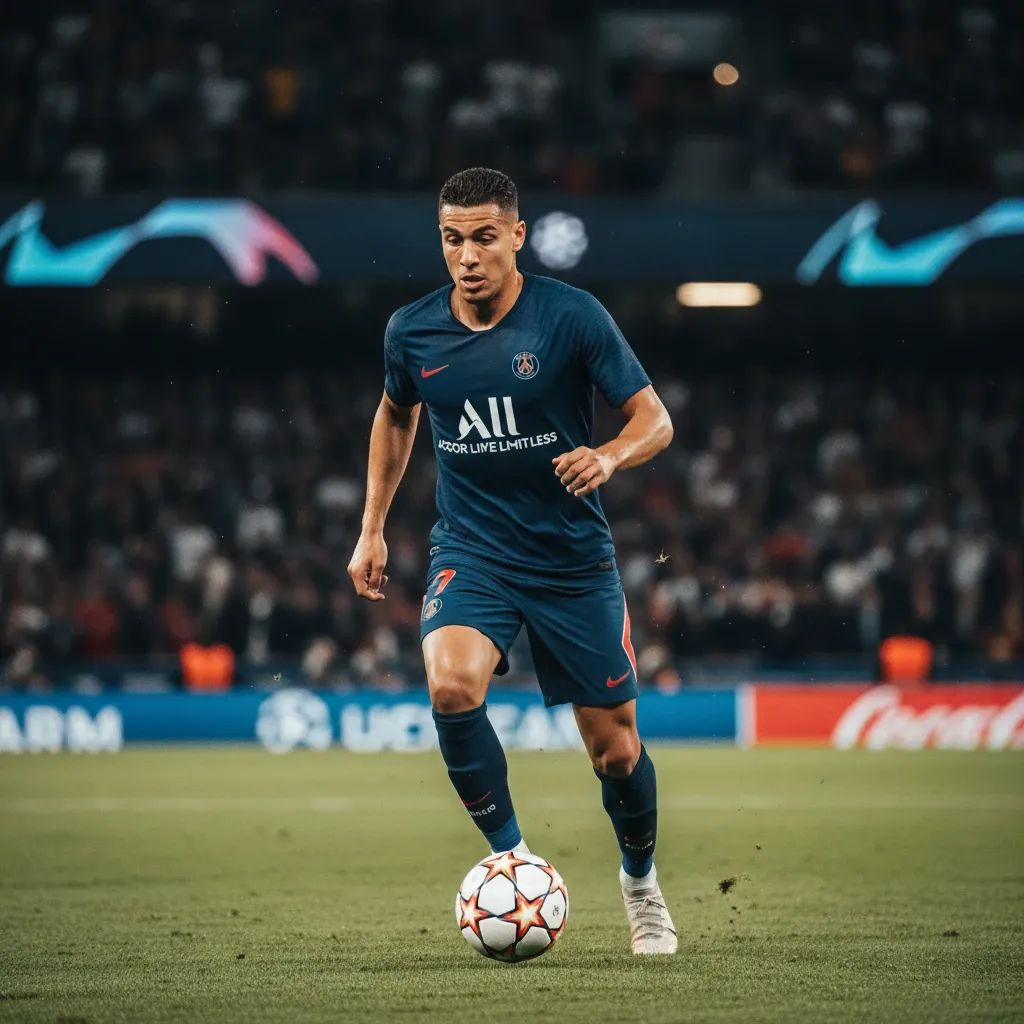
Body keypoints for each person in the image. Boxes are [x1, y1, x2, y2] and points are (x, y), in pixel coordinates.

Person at [347, 167, 677, 954]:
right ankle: (513, 858)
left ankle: (641, 884)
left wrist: (609, 455)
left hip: (570, 559)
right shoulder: (412, 331)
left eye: (485, 237)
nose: (467, 255)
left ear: (518, 236)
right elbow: (395, 417)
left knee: (617, 752)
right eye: (453, 239)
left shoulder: (572, 318)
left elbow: (655, 419)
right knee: (451, 687)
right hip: (475, 548)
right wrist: (371, 527)